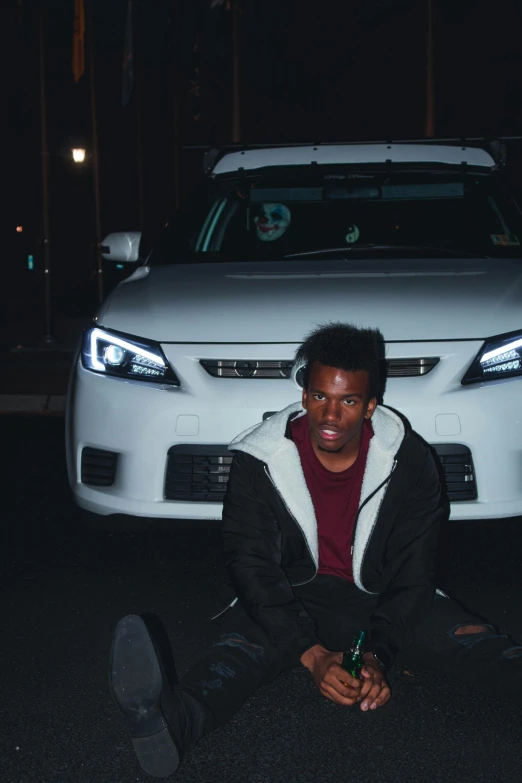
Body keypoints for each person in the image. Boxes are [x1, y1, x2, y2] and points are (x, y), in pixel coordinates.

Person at [109, 322, 522, 778]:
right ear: (304, 394)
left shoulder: (409, 460)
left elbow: (415, 572)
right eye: (320, 397)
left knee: (474, 643)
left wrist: (377, 656)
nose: (330, 415)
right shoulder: (259, 459)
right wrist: (312, 653)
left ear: (370, 406)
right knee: (238, 653)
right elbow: (250, 565)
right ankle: (169, 723)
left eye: (348, 401)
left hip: (381, 595)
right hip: (293, 597)